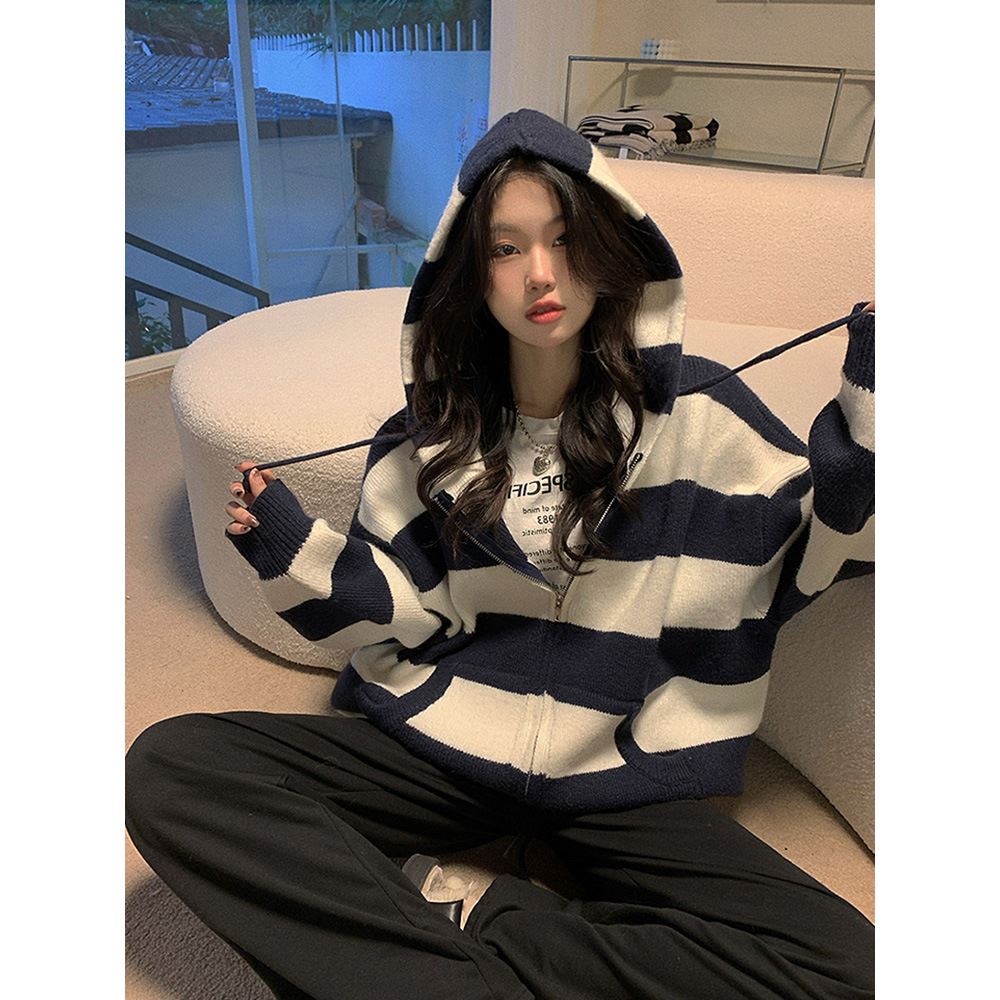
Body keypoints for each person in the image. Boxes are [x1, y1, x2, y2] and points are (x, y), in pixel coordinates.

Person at [125, 108, 875, 1000]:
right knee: (173, 767)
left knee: (854, 968)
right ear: (469, 274)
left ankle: (476, 921)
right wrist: (290, 550)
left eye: (563, 239)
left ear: (609, 249)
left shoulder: (705, 415)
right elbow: (398, 606)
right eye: (507, 249)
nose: (541, 274)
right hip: (444, 745)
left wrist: (868, 423)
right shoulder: (428, 435)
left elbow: (823, 548)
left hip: (624, 770)